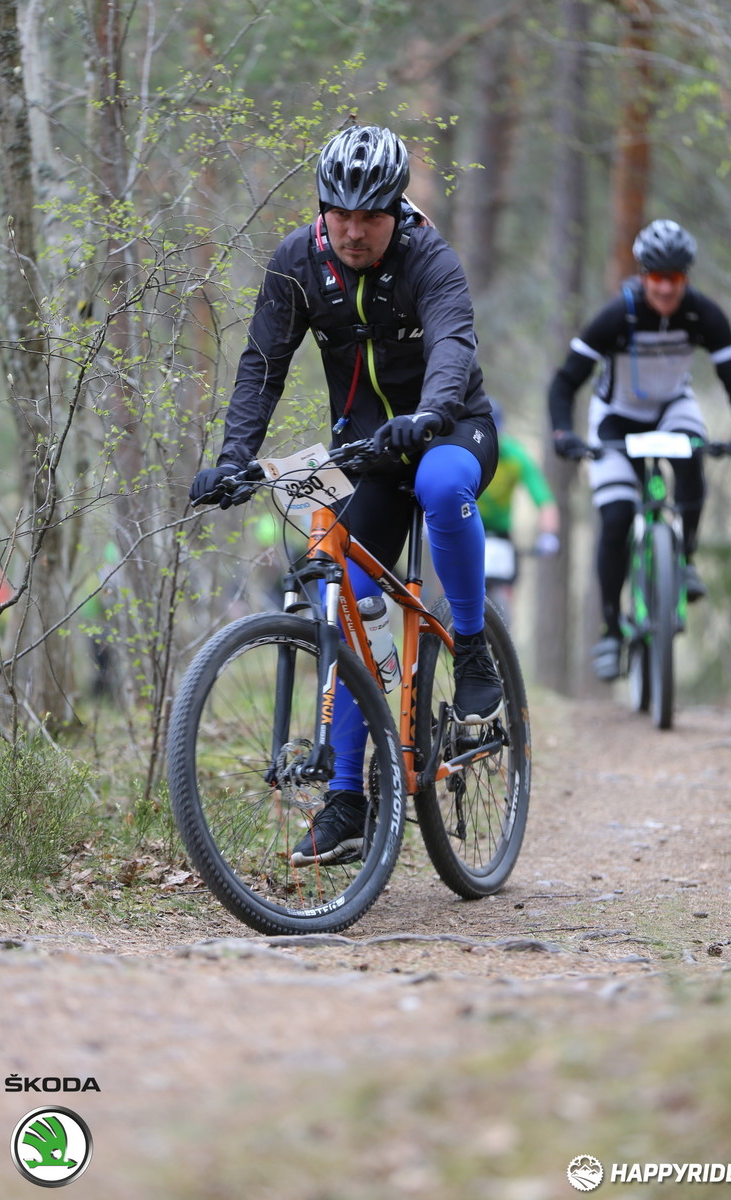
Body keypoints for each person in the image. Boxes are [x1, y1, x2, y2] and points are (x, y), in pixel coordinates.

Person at [190, 124, 501, 865]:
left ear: (399, 210)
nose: (356, 230)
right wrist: (236, 459)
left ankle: (472, 644)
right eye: (342, 215)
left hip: (448, 428)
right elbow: (262, 364)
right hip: (364, 451)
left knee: (441, 480)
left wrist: (430, 412)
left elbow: (454, 344)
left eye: (372, 216)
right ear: (322, 207)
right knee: (342, 595)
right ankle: (348, 801)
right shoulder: (298, 263)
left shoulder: (430, 259)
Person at [548, 218, 731, 682]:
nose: (666, 289)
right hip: (615, 417)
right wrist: (564, 433)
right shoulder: (616, 315)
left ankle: (684, 562)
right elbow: (565, 382)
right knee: (618, 513)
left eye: (677, 279)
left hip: (670, 408)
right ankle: (610, 628)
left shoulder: (702, 314)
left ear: (687, 277)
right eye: (658, 278)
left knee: (691, 450)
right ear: (643, 274)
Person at [477, 403, 560, 624]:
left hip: (501, 533)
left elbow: (545, 501)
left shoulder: (516, 456)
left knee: (505, 589)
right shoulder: (469, 454)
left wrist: (548, 534)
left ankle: (504, 640)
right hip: (468, 525)